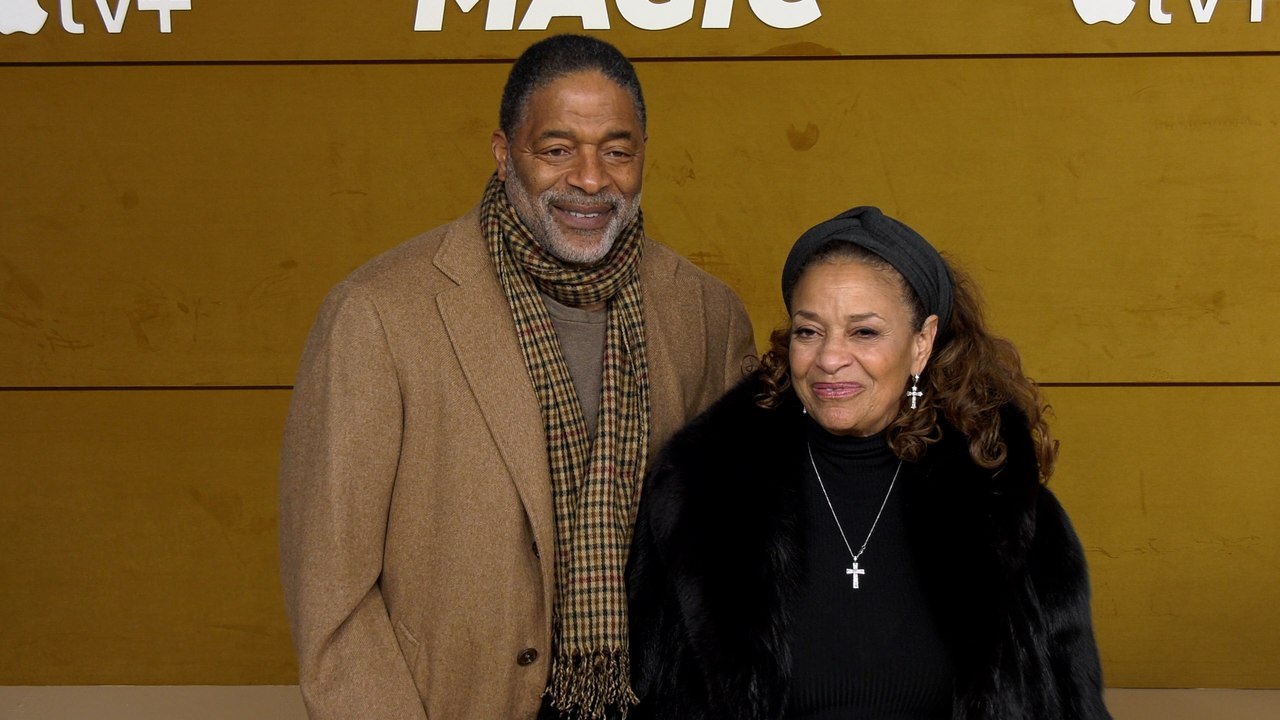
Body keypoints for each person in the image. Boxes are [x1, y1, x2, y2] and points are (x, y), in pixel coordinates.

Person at [278, 34, 755, 720]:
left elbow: (734, 563)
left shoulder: (706, 314)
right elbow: (332, 594)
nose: (591, 180)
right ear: (505, 154)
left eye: (617, 151)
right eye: (557, 149)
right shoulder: (379, 313)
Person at [627, 206, 1111, 719]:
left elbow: (1069, 701)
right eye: (809, 331)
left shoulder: (1004, 506)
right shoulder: (704, 498)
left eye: (864, 333)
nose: (830, 358)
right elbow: (648, 693)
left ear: (921, 344)